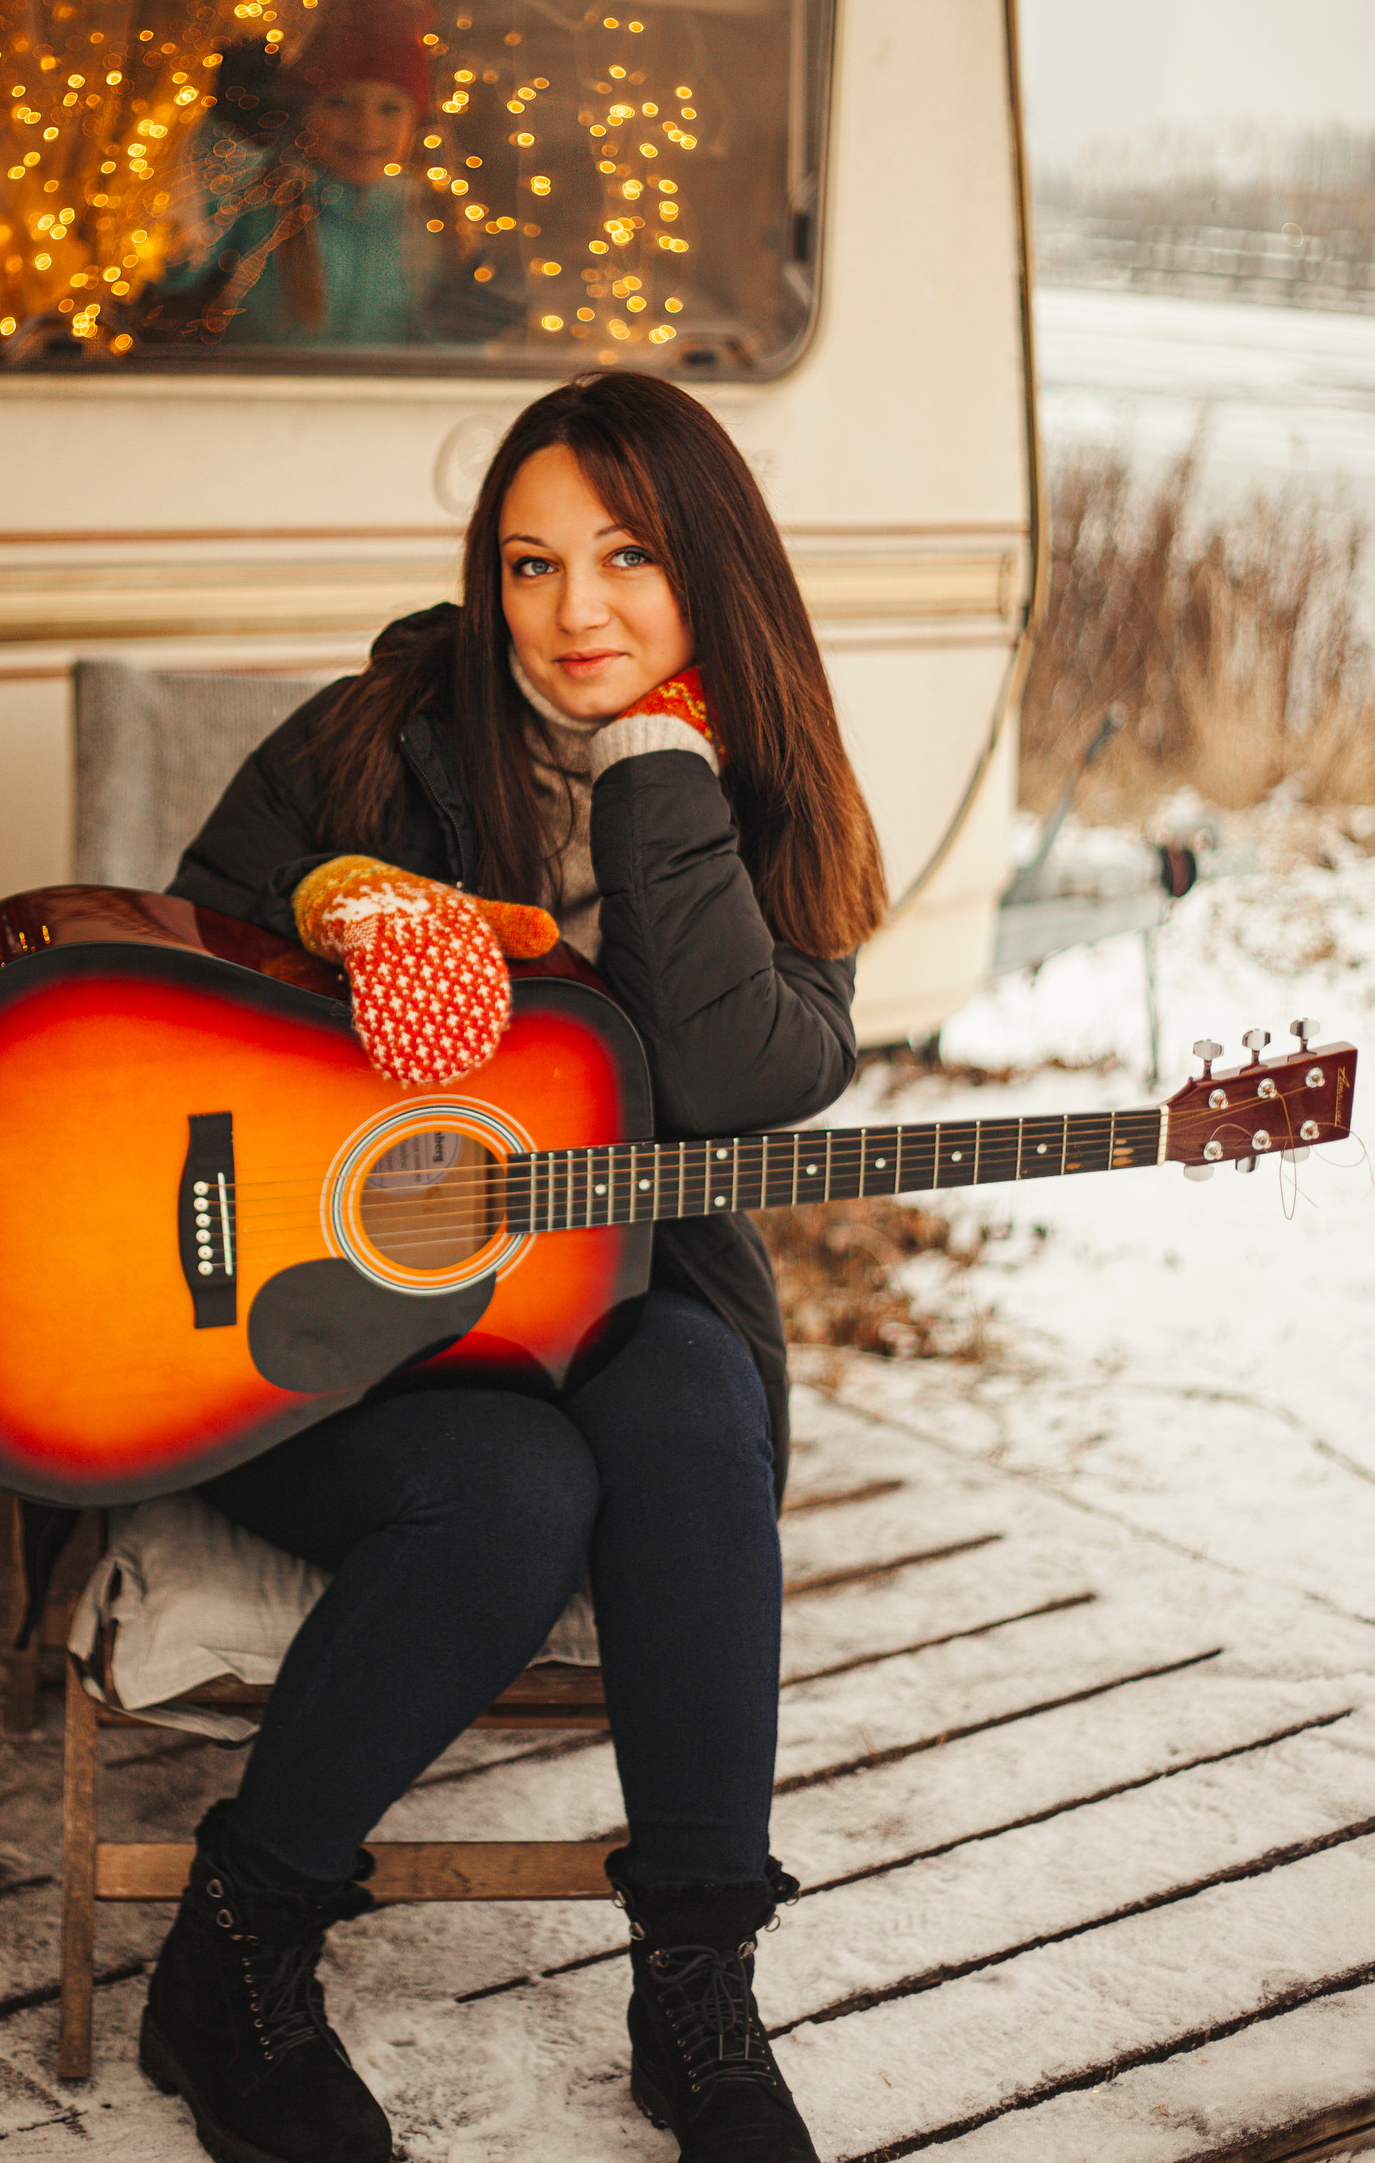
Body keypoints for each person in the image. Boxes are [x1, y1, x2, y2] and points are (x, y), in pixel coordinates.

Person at [143, 370, 888, 2163]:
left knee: (697, 1389)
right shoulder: (372, 736)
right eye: (531, 563)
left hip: (594, 1298)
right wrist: (338, 911)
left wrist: (653, 777)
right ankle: (233, 1959)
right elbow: (166, 1000)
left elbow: (727, 1083)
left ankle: (695, 1992)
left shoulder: (754, 799)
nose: (572, 613)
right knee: (505, 1497)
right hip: (301, 1315)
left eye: (626, 558)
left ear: (708, 572)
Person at [147, 0, 504, 351]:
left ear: (418, 120)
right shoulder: (264, 197)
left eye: (391, 108)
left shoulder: (438, 217)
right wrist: (232, 142)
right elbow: (174, 268)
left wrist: (464, 332)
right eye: (339, 103)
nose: (367, 128)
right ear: (307, 112)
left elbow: (446, 359)